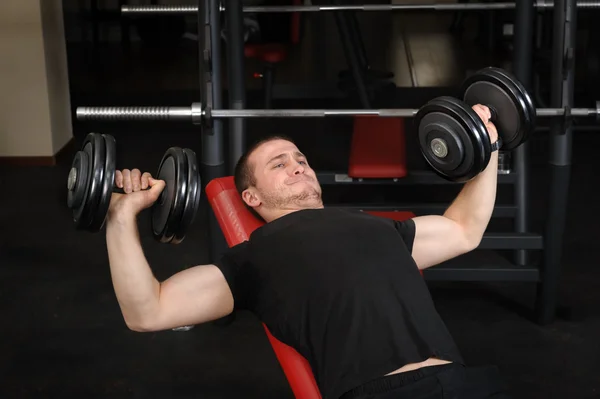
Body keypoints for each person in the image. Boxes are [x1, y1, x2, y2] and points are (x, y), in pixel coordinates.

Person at [105, 104, 511, 399]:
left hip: (465, 383)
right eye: (279, 165)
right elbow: (147, 311)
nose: (299, 166)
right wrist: (122, 216)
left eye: (300, 159)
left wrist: (487, 147)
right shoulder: (252, 261)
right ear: (250, 195)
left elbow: (463, 230)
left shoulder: (380, 227)